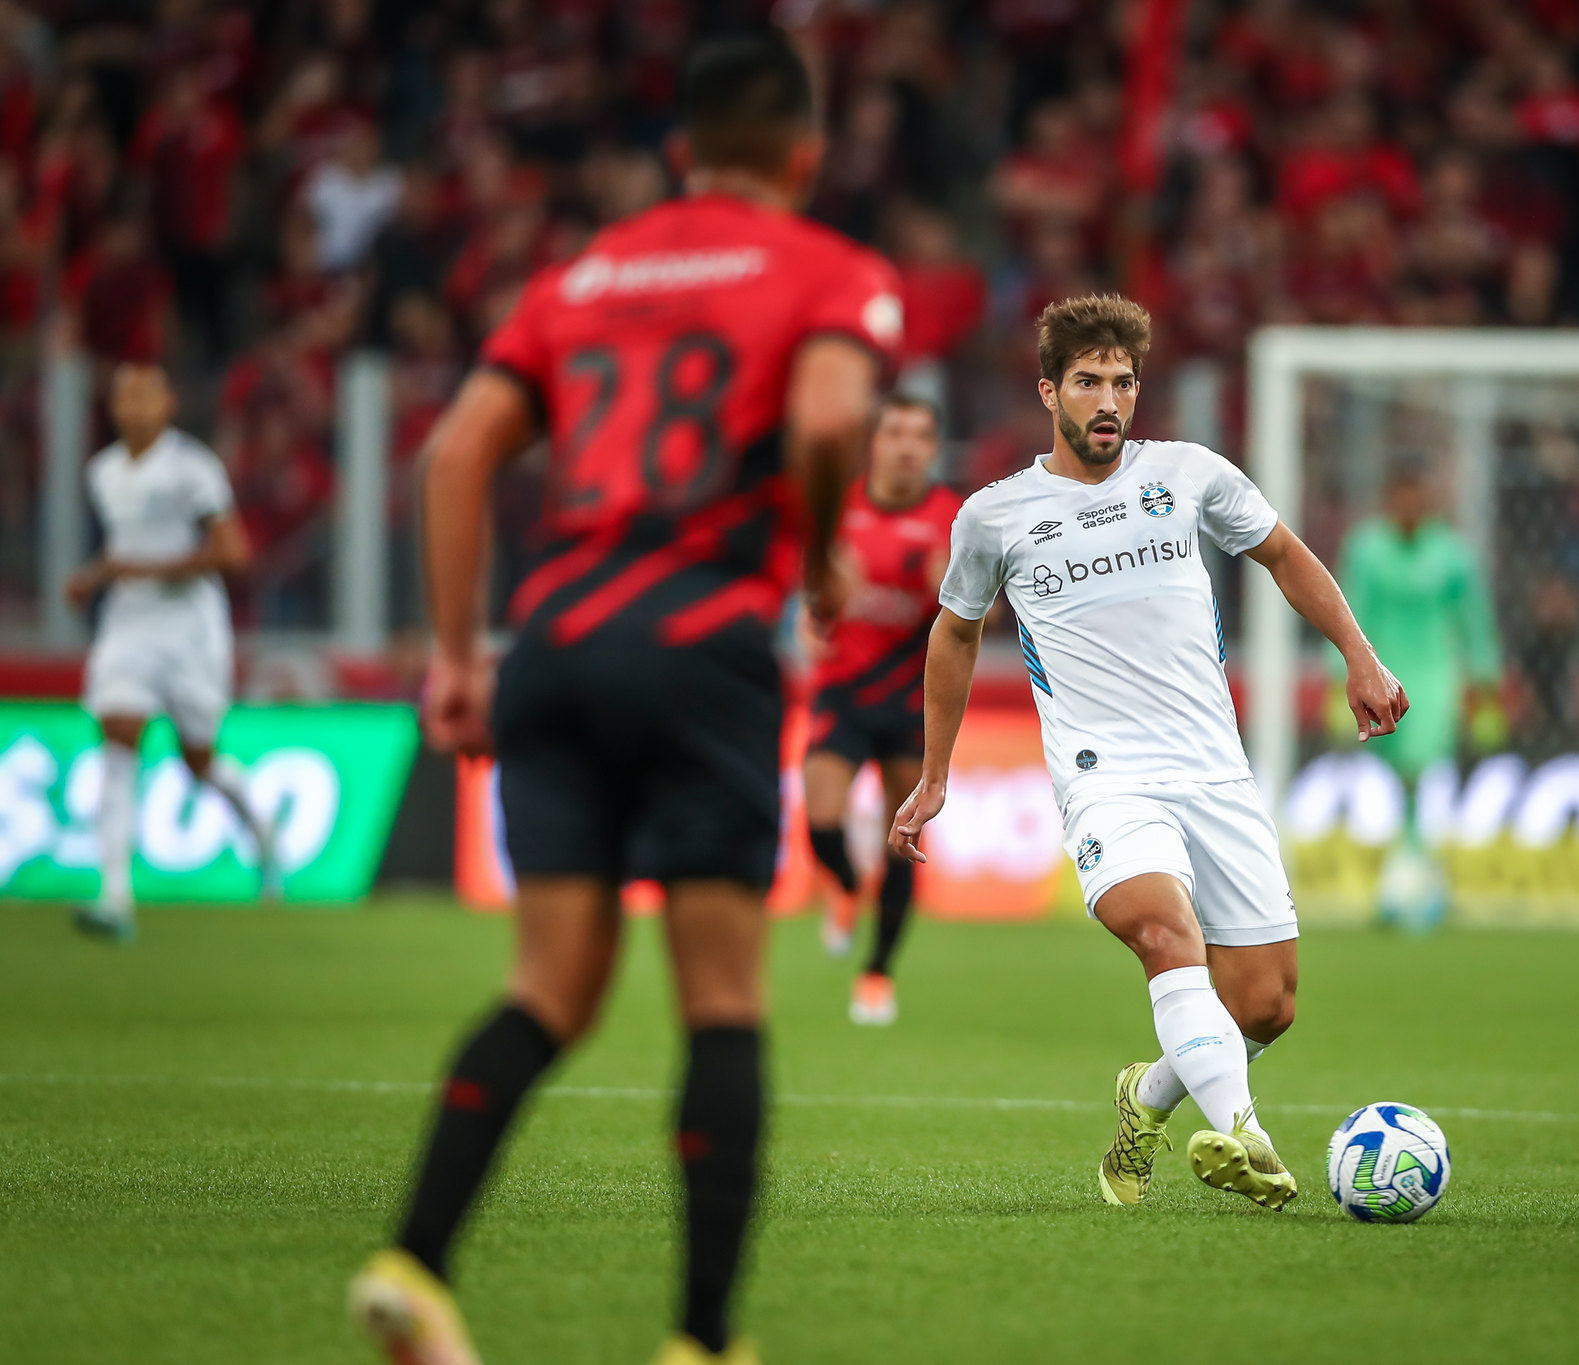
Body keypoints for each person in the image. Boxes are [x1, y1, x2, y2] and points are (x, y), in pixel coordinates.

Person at [346, 33, 900, 1365]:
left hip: (553, 641)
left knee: (549, 986)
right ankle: (702, 1341)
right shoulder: (831, 272)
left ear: (679, 154)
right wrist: (820, 552)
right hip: (700, 642)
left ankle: (414, 1264)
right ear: (806, 158)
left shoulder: (581, 276)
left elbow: (455, 450)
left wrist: (457, 656)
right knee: (720, 999)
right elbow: (829, 422)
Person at [889, 295, 1407, 1211]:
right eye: (1088, 381)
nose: (1108, 401)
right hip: (1106, 779)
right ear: (1050, 390)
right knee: (1166, 934)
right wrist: (936, 772)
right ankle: (1246, 1137)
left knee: (1266, 1004)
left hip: (1214, 768)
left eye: (1123, 382)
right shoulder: (997, 515)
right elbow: (954, 635)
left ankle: (1149, 1093)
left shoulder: (1190, 473)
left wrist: (1359, 657)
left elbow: (1286, 554)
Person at [66, 362, 276, 942]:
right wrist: (97, 575)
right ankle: (114, 897)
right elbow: (126, 546)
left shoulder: (192, 469)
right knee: (118, 734)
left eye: (145, 395)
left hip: (191, 631)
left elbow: (233, 554)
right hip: (129, 626)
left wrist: (141, 569)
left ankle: (260, 829)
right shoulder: (102, 471)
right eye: (124, 396)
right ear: (113, 408)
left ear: (168, 404)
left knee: (199, 762)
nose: (134, 407)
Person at [803, 392, 959, 1025]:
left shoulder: (953, 518)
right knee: (819, 820)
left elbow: (986, 614)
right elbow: (813, 602)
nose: (906, 446)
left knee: (904, 840)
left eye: (919, 435)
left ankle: (876, 974)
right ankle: (843, 887)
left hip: (910, 697)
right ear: (875, 443)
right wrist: (820, 599)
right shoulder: (839, 509)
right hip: (842, 689)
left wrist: (948, 592)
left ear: (933, 448)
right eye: (894, 432)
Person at [1328, 456, 1503, 927]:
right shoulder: (1366, 549)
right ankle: (1420, 869)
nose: (1408, 506)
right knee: (1398, 776)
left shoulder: (1451, 553)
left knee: (1418, 768)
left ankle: (1408, 875)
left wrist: (1484, 681)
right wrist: (1336, 675)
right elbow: (1347, 609)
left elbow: (1474, 620)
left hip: (1434, 674)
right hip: (1379, 669)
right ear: (1390, 501)